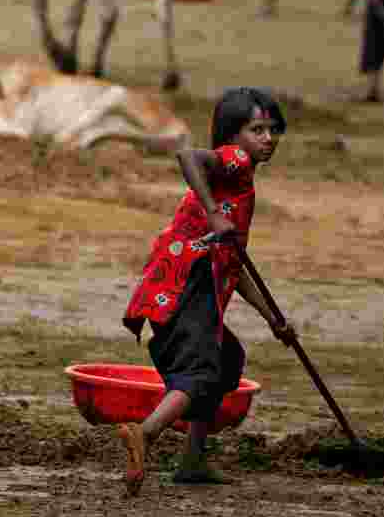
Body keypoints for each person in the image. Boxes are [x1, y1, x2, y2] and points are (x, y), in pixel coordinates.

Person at [118, 87, 297, 497]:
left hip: (197, 281)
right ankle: (144, 434)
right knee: (201, 370)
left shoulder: (243, 181)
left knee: (227, 359)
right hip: (187, 278)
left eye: (272, 130)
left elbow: (235, 266)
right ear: (233, 136)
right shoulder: (233, 160)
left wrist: (274, 321)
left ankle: (193, 460)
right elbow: (187, 155)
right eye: (256, 129)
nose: (268, 138)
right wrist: (215, 215)